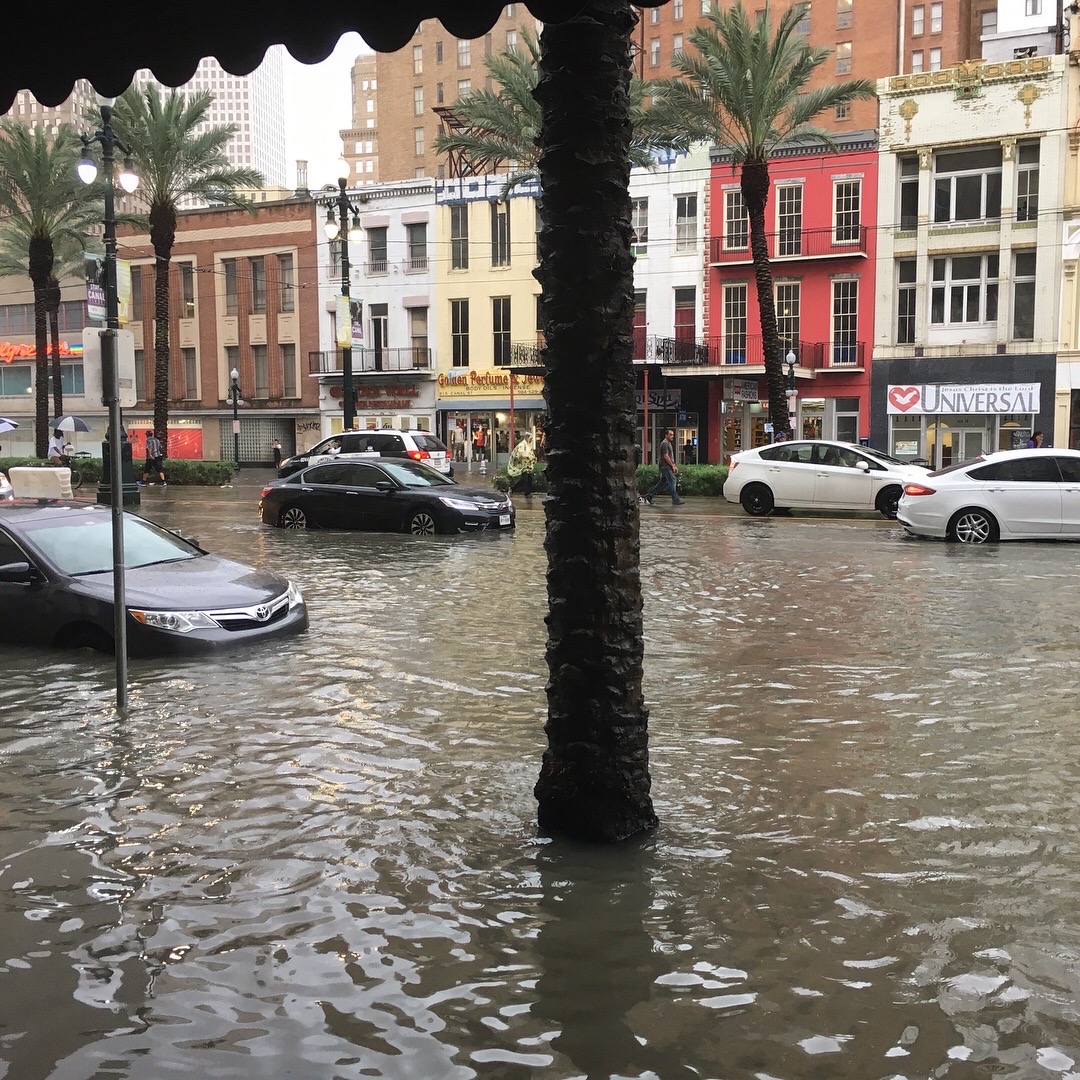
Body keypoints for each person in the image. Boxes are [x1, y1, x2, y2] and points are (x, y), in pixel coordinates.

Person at [644, 428, 684, 506]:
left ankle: (649, 496)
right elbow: (666, 456)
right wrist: (672, 466)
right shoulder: (665, 443)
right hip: (665, 467)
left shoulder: (668, 443)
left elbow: (670, 456)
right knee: (672, 481)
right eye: (670, 435)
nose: (672, 436)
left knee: (662, 483)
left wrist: (674, 465)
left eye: (673, 435)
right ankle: (675, 500)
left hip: (666, 466)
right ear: (666, 435)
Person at [507, 431, 537, 498]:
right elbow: (521, 454)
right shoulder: (522, 445)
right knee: (524, 480)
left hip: (527, 466)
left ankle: (527, 493)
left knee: (530, 479)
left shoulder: (528, 445)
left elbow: (531, 453)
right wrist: (528, 457)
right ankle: (512, 489)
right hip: (523, 466)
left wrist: (533, 458)